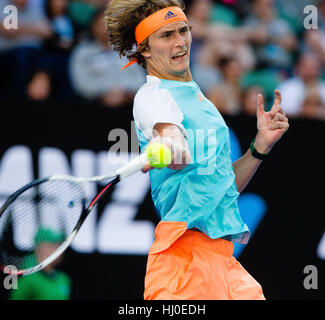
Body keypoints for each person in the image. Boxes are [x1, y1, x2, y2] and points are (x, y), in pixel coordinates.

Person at [105, 0, 289, 300]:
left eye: (183, 30)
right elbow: (173, 140)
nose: (180, 42)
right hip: (182, 262)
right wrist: (170, 147)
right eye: (166, 35)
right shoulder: (152, 95)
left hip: (224, 261)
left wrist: (259, 147)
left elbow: (222, 185)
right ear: (146, 49)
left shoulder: (199, 99)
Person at [9, 228, 71, 300]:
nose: (60, 251)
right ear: (40, 248)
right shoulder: (27, 280)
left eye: (60, 246)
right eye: (53, 246)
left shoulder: (63, 279)